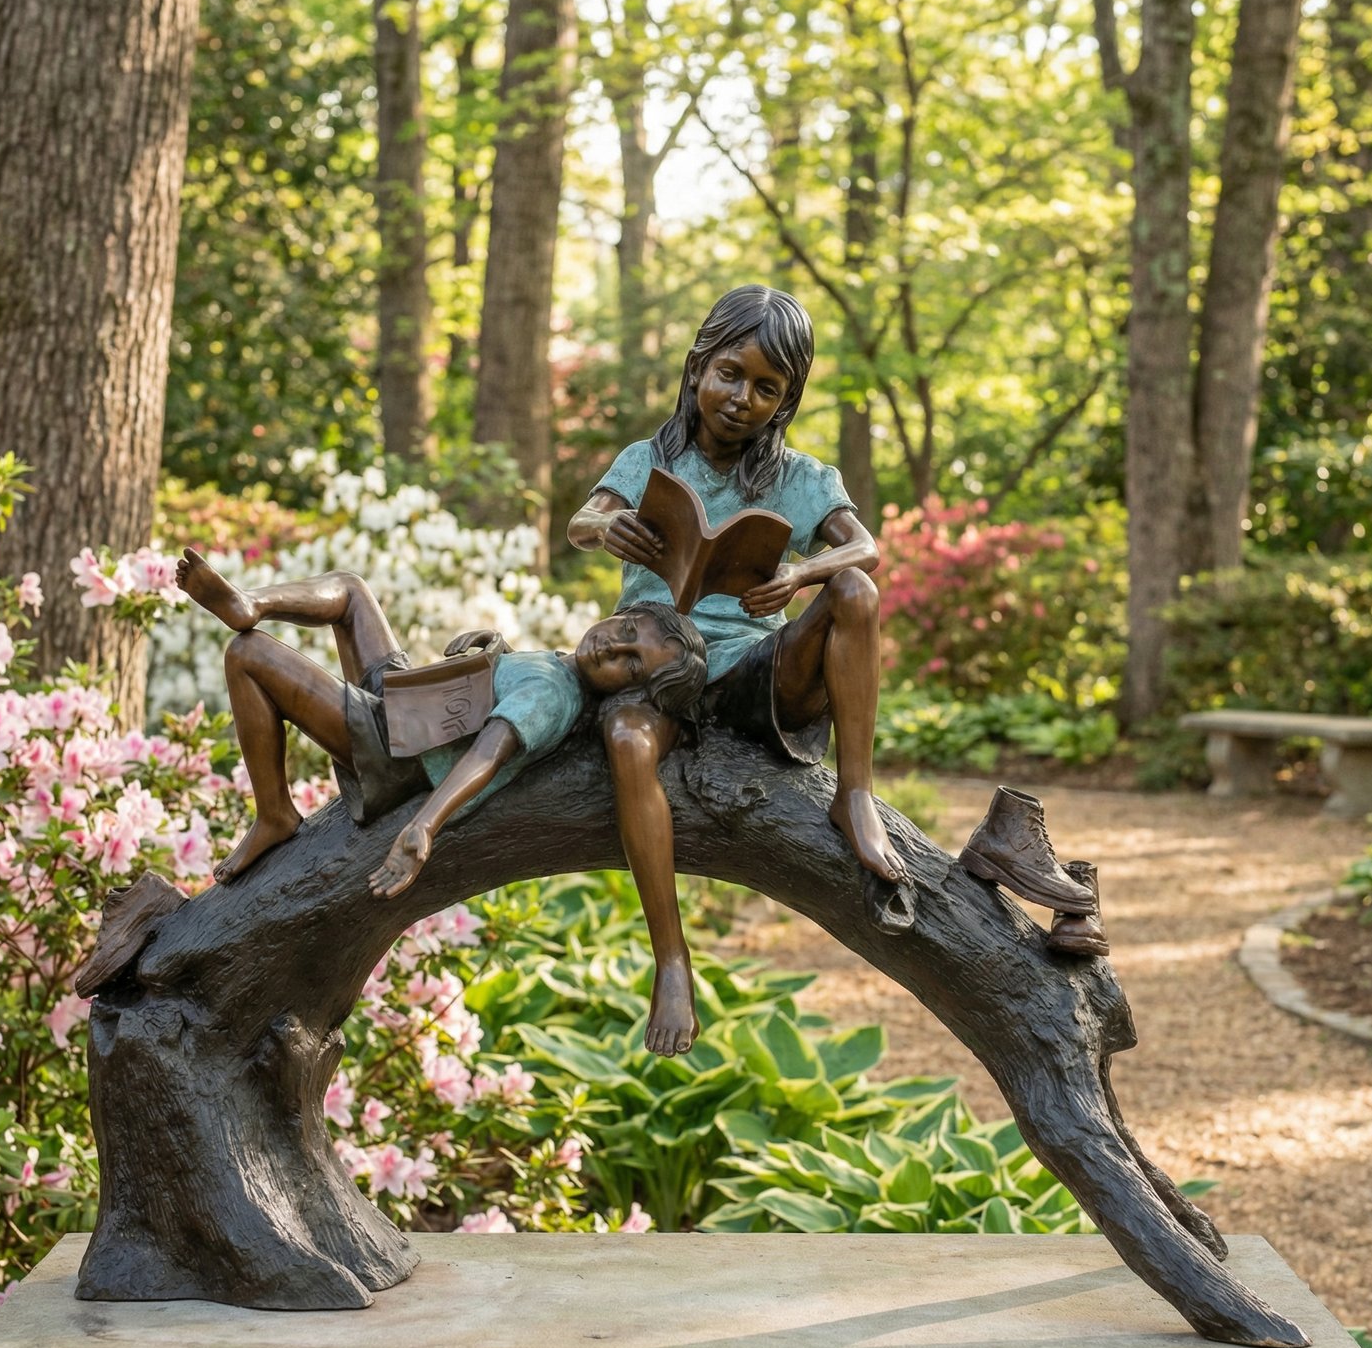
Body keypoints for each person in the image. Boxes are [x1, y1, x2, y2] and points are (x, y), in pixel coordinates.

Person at [568, 285, 910, 1057]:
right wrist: (606, 525)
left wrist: (802, 574)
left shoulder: (801, 475)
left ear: (785, 402)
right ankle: (672, 960)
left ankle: (854, 795)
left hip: (756, 671)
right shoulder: (648, 459)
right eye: (730, 374)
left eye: (767, 389)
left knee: (854, 588)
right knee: (624, 741)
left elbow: (867, 549)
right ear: (697, 368)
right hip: (658, 657)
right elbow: (579, 520)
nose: (742, 398)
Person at [174, 549, 707, 904]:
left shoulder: (554, 695)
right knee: (351, 591)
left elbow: (490, 752)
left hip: (393, 747)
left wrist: (424, 826)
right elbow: (514, 688)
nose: (614, 645)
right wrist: (498, 652)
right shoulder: (560, 670)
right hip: (412, 701)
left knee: (249, 654)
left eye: (630, 664)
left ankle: (274, 813)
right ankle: (253, 601)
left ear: (629, 695)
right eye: (628, 628)